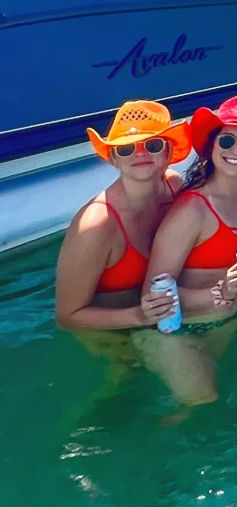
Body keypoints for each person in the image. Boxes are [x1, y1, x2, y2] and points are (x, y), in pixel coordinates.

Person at [142, 94, 237, 406]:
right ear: (211, 145)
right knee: (205, 410)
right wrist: (219, 291)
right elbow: (152, 298)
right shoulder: (192, 210)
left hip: (229, 326)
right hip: (178, 333)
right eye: (228, 140)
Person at [56, 101, 191, 347]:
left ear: (169, 152)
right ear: (113, 159)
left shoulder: (175, 187)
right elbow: (67, 316)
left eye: (152, 145)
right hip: (108, 337)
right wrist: (138, 316)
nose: (140, 153)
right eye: (126, 149)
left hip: (162, 320)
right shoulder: (96, 225)